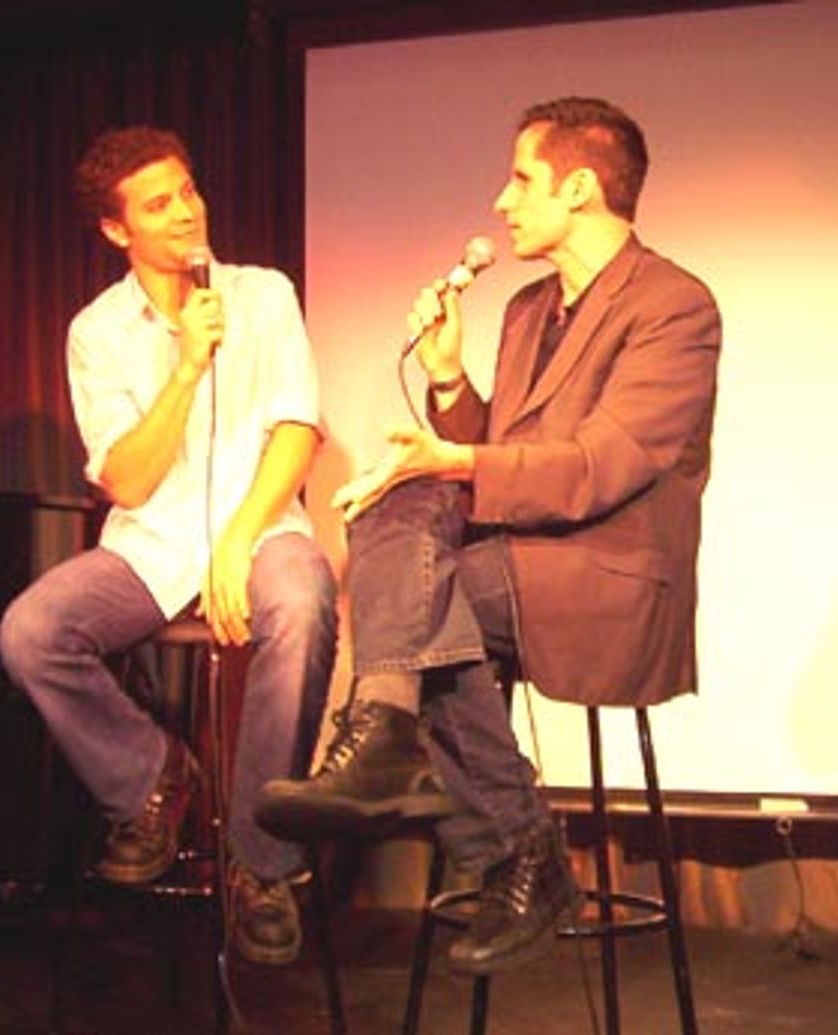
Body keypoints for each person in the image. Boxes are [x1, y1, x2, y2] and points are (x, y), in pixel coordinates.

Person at [256, 97, 721, 975]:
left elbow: (595, 468)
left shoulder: (674, 306)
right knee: (396, 510)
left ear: (580, 186)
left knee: (432, 606)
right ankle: (502, 831)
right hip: (517, 561)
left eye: (520, 179)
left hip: (607, 576)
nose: (502, 203)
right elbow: (503, 455)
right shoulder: (523, 309)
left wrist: (455, 454)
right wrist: (444, 380)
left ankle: (427, 767)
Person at [0, 126, 337, 966]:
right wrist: (185, 368)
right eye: (159, 204)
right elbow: (129, 482)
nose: (186, 211)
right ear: (119, 231)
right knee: (30, 631)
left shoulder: (263, 294)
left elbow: (297, 429)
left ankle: (262, 859)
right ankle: (152, 779)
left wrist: (240, 536)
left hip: (260, 528)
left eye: (188, 190)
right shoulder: (98, 331)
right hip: (149, 546)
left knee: (302, 599)